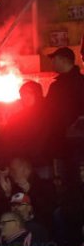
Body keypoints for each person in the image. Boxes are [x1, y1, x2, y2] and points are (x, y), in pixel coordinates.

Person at [44, 47, 84, 177]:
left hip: (69, 145)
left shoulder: (60, 86)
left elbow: (49, 113)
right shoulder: (77, 82)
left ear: (63, 60)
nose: (52, 63)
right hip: (65, 144)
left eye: (54, 60)